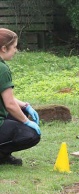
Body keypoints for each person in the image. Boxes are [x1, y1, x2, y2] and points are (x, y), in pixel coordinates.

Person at [0, 28, 41, 166]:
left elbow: (5, 95)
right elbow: (10, 104)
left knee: (21, 110)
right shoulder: (2, 69)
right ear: (4, 48)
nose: (16, 51)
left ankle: (4, 154)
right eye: (14, 47)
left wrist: (25, 105)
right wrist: (27, 122)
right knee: (30, 134)